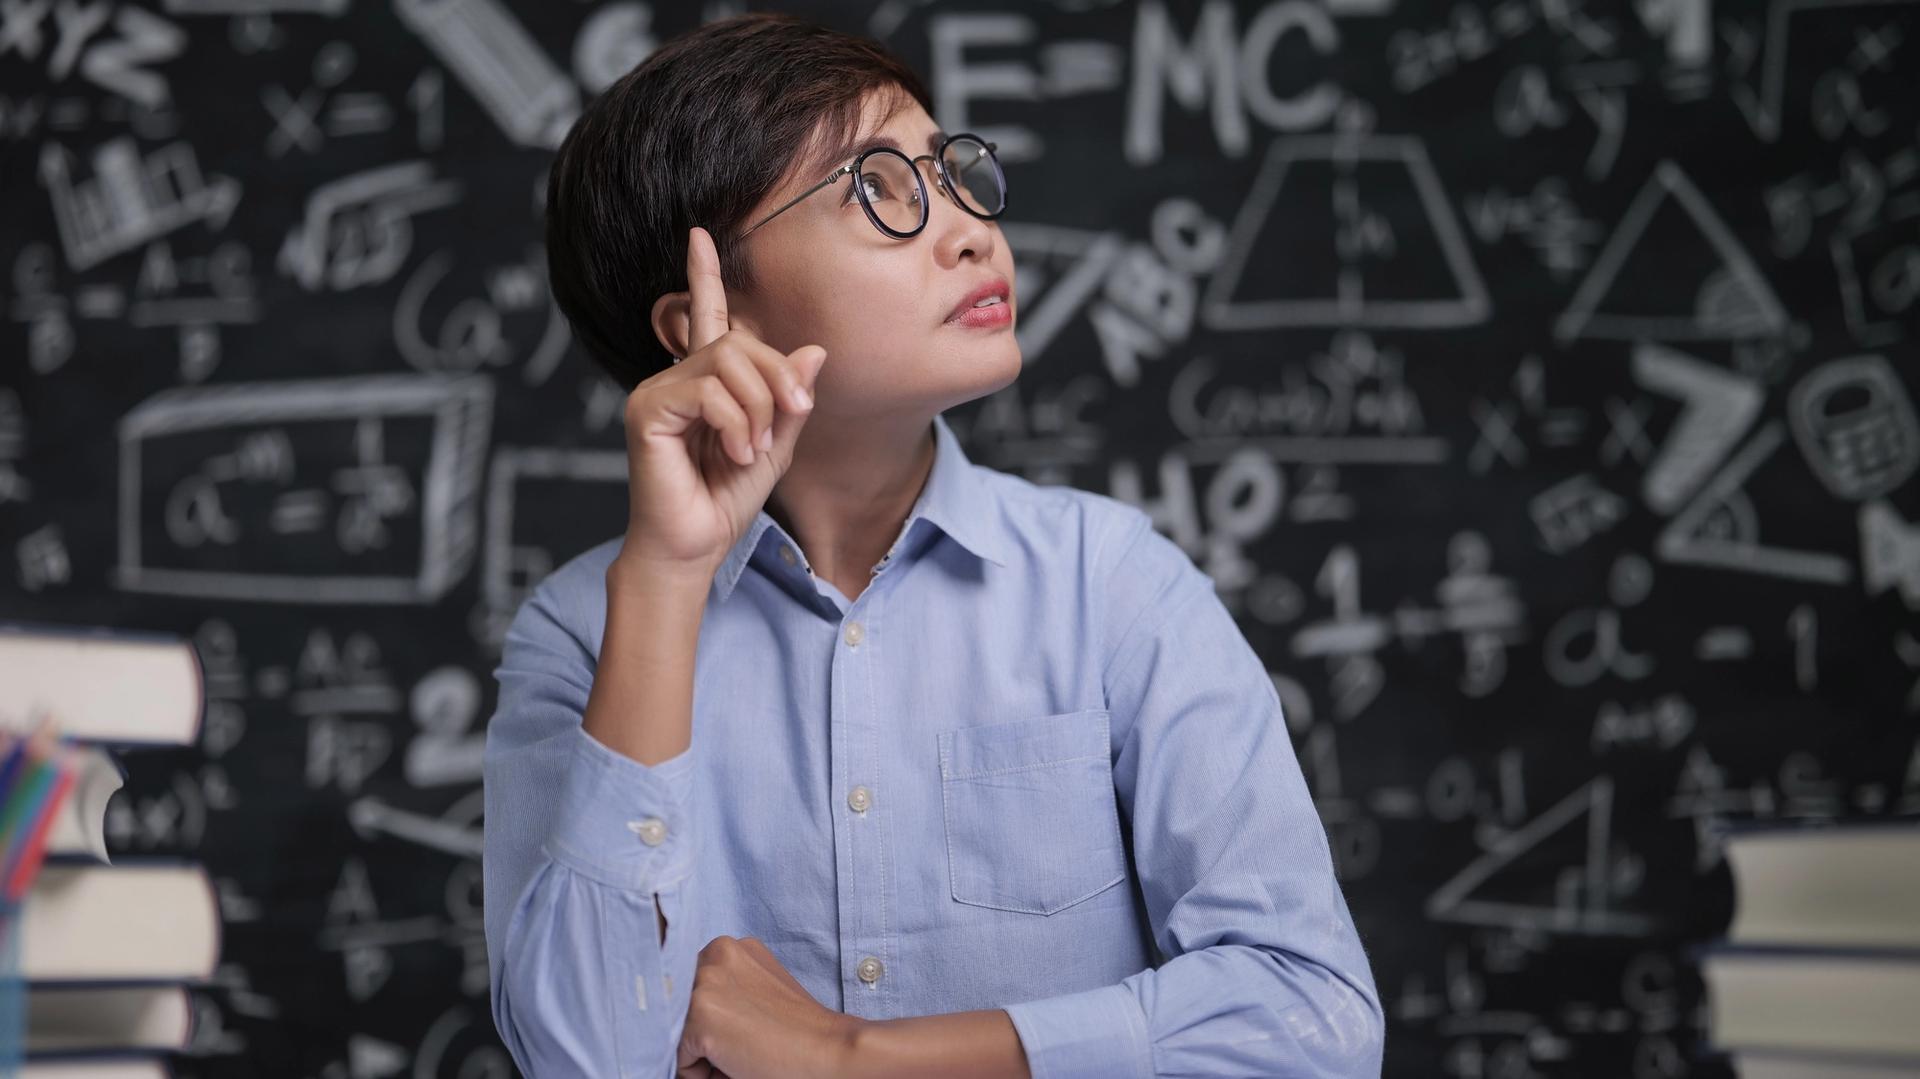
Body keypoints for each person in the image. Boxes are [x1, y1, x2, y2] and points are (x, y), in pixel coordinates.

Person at [483, 11, 1384, 1078]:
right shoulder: (583, 635)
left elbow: (1314, 1021)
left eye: (950, 173)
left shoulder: (1112, 585)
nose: (969, 228)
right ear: (704, 323)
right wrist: (670, 582)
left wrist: (852, 1057)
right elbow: (584, 1055)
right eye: (879, 189)